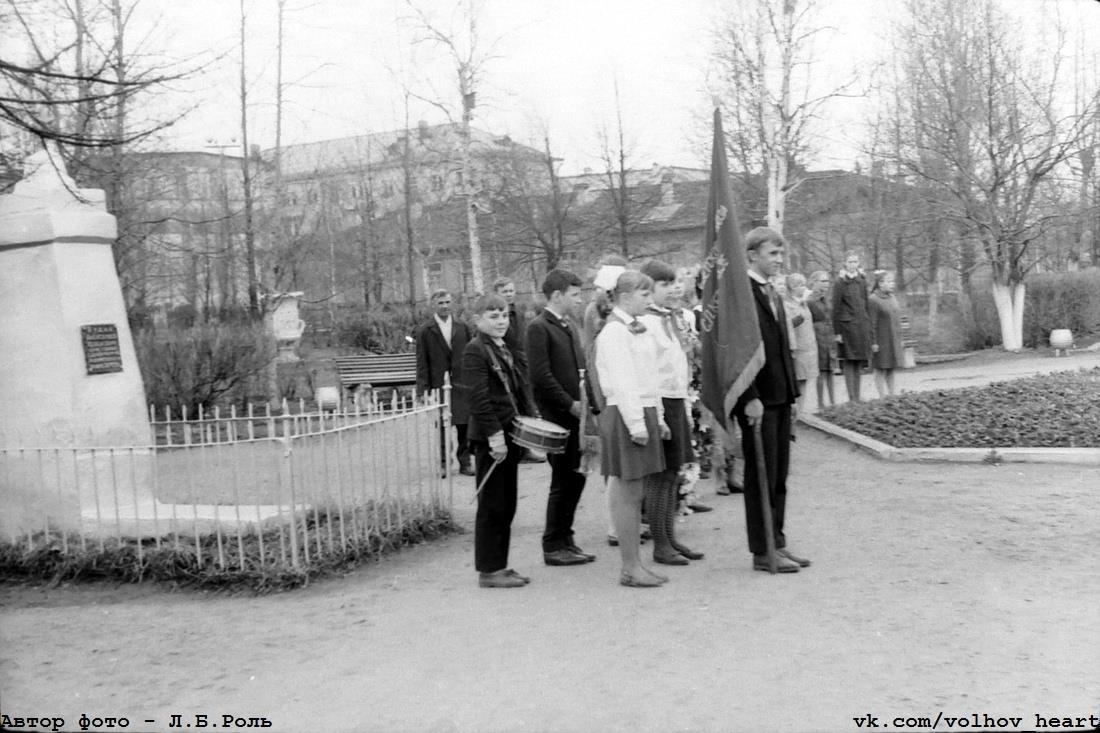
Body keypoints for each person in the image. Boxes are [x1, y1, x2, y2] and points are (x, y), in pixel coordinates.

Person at [733, 227, 808, 574]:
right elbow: (738, 351)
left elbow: (780, 348)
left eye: (781, 254)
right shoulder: (742, 294)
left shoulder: (772, 292)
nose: (779, 260)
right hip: (758, 399)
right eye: (772, 254)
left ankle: (776, 540)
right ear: (752, 256)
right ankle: (762, 549)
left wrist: (791, 395)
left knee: (778, 476)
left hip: (779, 396)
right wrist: (749, 397)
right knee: (761, 476)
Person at [594, 270, 670, 587]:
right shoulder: (614, 332)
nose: (649, 300)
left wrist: (659, 417)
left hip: (642, 410)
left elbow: (650, 376)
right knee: (628, 493)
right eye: (644, 294)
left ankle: (635, 563)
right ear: (624, 298)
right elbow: (624, 382)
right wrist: (637, 423)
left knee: (637, 492)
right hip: (627, 414)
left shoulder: (637, 328)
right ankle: (629, 567)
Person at [463, 292, 537, 588]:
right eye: (493, 316)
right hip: (491, 439)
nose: (501, 321)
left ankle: (499, 565)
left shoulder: (502, 346)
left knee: (506, 504)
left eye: (504, 315)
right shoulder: (475, 350)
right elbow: (478, 399)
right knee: (492, 506)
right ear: (477, 320)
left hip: (510, 434)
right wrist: (495, 437)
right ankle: (489, 570)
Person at [526, 268, 597, 567]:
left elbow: (580, 370)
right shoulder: (539, 327)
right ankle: (553, 544)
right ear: (557, 295)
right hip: (559, 417)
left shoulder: (568, 325)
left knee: (576, 478)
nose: (580, 300)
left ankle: (567, 538)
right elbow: (541, 376)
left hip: (577, 416)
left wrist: (589, 403)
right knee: (562, 481)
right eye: (575, 295)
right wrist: (569, 405)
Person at [639, 260, 704, 566]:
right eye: (662, 285)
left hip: (677, 398)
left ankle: (670, 536)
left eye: (671, 283)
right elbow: (649, 371)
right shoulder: (646, 322)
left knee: (673, 473)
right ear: (647, 289)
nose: (670, 290)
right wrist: (660, 415)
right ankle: (661, 544)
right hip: (660, 401)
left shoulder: (670, 318)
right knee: (660, 475)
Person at [415, 289, 472, 475]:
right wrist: (422, 389)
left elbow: (470, 356)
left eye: (447, 302)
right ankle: (444, 462)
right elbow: (422, 362)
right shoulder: (425, 331)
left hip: (462, 383)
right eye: (440, 303)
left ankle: (465, 462)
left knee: (464, 424)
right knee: (442, 425)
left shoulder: (462, 327)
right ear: (433, 305)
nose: (445, 306)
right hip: (439, 384)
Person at [832, 250, 873, 403]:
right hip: (847, 327)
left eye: (855, 261)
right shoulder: (840, 282)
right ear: (845, 263)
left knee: (859, 360)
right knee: (849, 361)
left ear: (858, 263)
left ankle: (857, 394)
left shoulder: (862, 280)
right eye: (850, 261)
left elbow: (866, 304)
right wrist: (838, 332)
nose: (853, 264)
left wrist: (867, 324)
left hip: (861, 325)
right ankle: (851, 398)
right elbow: (836, 308)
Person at [783, 273, 819, 414]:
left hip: (808, 346)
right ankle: (796, 411)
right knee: (798, 380)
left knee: (805, 379)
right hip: (798, 347)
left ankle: (801, 410)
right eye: (801, 285)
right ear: (793, 287)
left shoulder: (804, 303)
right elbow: (787, 325)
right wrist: (799, 316)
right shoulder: (787, 305)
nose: (804, 288)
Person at [868, 270, 906, 398]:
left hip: (893, 338)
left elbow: (897, 319)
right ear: (880, 283)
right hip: (881, 340)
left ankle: (891, 395)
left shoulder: (893, 297)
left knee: (891, 367)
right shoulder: (873, 299)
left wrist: (901, 338)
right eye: (889, 282)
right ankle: (882, 396)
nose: (892, 284)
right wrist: (873, 342)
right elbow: (871, 323)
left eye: (892, 281)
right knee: (880, 367)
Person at [806, 270, 836, 408]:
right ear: (814, 282)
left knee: (831, 369)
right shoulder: (809, 301)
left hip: (829, 335)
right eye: (823, 281)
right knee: (821, 370)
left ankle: (833, 401)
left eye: (827, 281)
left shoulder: (827, 299)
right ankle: (820, 402)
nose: (826, 284)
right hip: (817, 336)